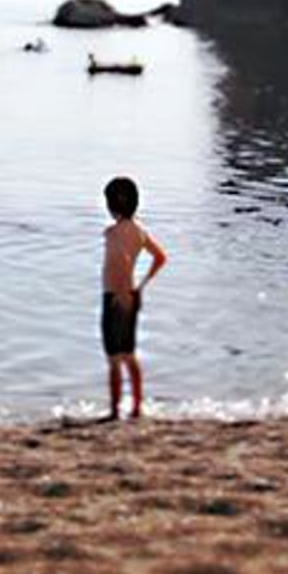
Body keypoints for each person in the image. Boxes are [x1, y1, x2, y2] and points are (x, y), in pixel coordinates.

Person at [99, 175, 169, 420]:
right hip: (131, 294)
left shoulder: (112, 233)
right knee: (129, 354)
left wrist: (120, 293)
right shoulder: (139, 231)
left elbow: (122, 260)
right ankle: (137, 406)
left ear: (111, 205)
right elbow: (160, 257)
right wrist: (140, 286)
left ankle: (115, 410)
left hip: (115, 297)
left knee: (114, 358)